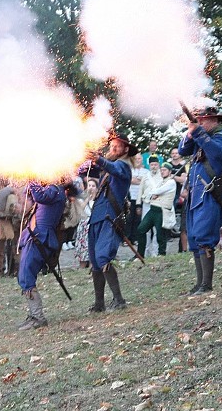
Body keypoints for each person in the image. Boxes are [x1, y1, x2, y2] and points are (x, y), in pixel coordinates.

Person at [178, 106, 222, 295]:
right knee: (194, 238)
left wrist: (199, 132)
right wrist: (190, 132)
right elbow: (183, 150)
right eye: (199, 119)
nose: (200, 122)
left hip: (211, 193)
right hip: (196, 193)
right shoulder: (202, 135)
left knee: (204, 238)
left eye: (204, 120)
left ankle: (206, 285)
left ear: (215, 120)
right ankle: (200, 283)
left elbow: (217, 153)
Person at [87, 133, 137, 312]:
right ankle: (99, 303)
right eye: (112, 146)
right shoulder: (107, 170)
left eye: (117, 146)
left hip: (110, 218)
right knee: (94, 260)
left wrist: (98, 159)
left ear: (125, 149)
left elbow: (113, 168)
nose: (113, 149)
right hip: (97, 217)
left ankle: (119, 300)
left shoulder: (123, 166)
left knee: (103, 257)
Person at [15, 180, 66, 330]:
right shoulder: (49, 189)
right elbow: (30, 197)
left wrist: (33, 180)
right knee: (24, 276)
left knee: (26, 275)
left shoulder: (55, 189)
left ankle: (38, 317)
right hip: (34, 236)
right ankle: (34, 315)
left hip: (40, 237)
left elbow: (40, 197)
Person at [136, 162, 176, 257]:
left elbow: (156, 191)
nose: (162, 172)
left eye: (165, 170)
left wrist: (155, 193)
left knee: (160, 235)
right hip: (153, 210)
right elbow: (153, 192)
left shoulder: (171, 182)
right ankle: (140, 254)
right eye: (161, 170)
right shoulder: (160, 182)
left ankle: (161, 254)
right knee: (141, 229)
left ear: (170, 172)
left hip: (161, 211)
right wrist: (154, 193)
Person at [136, 156, 163, 256]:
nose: (154, 167)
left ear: (158, 165)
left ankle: (155, 252)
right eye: (152, 165)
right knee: (144, 230)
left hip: (158, 205)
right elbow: (140, 190)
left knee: (157, 230)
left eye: (155, 165)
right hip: (147, 204)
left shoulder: (162, 175)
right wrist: (138, 204)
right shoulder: (146, 176)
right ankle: (145, 252)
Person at [74, 178, 98, 268]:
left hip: (93, 225)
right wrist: (87, 199)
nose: (91, 188)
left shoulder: (98, 199)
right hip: (84, 225)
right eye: (89, 185)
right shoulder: (81, 198)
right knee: (83, 251)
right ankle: (82, 269)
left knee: (93, 250)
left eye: (93, 186)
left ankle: (93, 268)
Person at [125, 154, 148, 244]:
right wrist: (139, 180)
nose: (138, 160)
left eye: (139, 158)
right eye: (136, 159)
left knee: (138, 219)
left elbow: (146, 182)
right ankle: (127, 239)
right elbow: (129, 180)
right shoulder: (129, 170)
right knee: (129, 218)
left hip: (140, 198)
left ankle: (135, 238)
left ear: (142, 160)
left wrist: (136, 180)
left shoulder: (146, 171)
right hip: (131, 197)